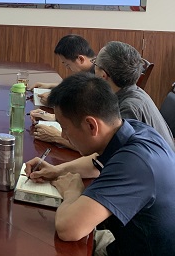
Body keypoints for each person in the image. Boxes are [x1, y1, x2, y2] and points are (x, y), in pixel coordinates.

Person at [25, 72, 175, 255]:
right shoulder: (136, 129)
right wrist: (57, 170)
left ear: (91, 126)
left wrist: (72, 192)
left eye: (64, 128)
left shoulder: (134, 165)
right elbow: (94, 162)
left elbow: (69, 229)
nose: (63, 135)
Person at [32, 41, 174, 151]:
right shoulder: (123, 93)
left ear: (103, 75)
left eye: (95, 64)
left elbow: (108, 151)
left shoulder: (129, 107)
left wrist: (57, 137)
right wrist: (54, 118)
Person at [32, 34, 95, 105]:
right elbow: (78, 87)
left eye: (67, 64)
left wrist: (54, 100)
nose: (67, 68)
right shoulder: (91, 66)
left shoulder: (99, 73)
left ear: (80, 59)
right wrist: (51, 85)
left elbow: (86, 101)